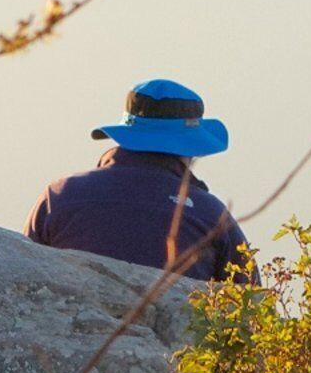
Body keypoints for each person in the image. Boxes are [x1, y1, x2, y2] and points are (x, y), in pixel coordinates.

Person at [25, 79, 252, 282]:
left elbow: (19, 271)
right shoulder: (210, 214)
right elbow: (252, 308)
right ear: (191, 147)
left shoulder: (60, 195)